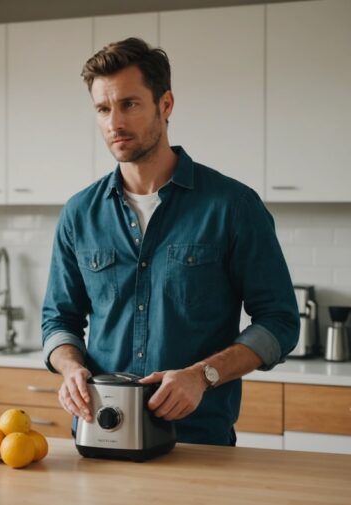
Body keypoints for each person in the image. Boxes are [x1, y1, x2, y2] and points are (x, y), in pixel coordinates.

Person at [41, 37, 299, 446]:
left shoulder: (233, 206)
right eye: (103, 109)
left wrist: (203, 376)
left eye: (129, 104)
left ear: (165, 105)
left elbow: (280, 321)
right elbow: (58, 321)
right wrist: (70, 367)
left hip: (198, 441)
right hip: (100, 438)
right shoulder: (79, 213)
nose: (114, 123)